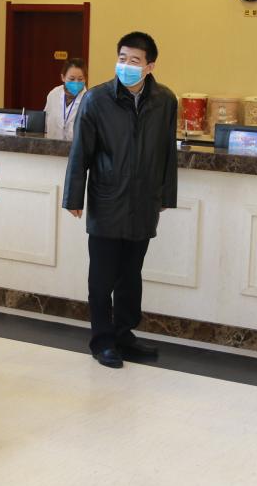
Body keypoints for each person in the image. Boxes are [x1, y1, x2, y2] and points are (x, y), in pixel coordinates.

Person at [63, 32, 178, 368]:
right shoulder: (97, 99)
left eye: (135, 60)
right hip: (107, 199)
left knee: (131, 275)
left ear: (150, 66)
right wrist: (74, 196)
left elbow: (167, 152)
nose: (126, 65)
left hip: (144, 201)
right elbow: (80, 152)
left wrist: (166, 194)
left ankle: (124, 334)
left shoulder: (165, 101)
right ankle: (102, 340)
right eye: (122, 58)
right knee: (102, 277)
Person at [44, 58, 87, 141]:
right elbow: (45, 123)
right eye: (72, 79)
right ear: (63, 77)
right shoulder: (54, 94)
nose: (76, 83)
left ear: (85, 79)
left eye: (80, 79)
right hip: (52, 146)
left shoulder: (89, 100)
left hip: (75, 148)